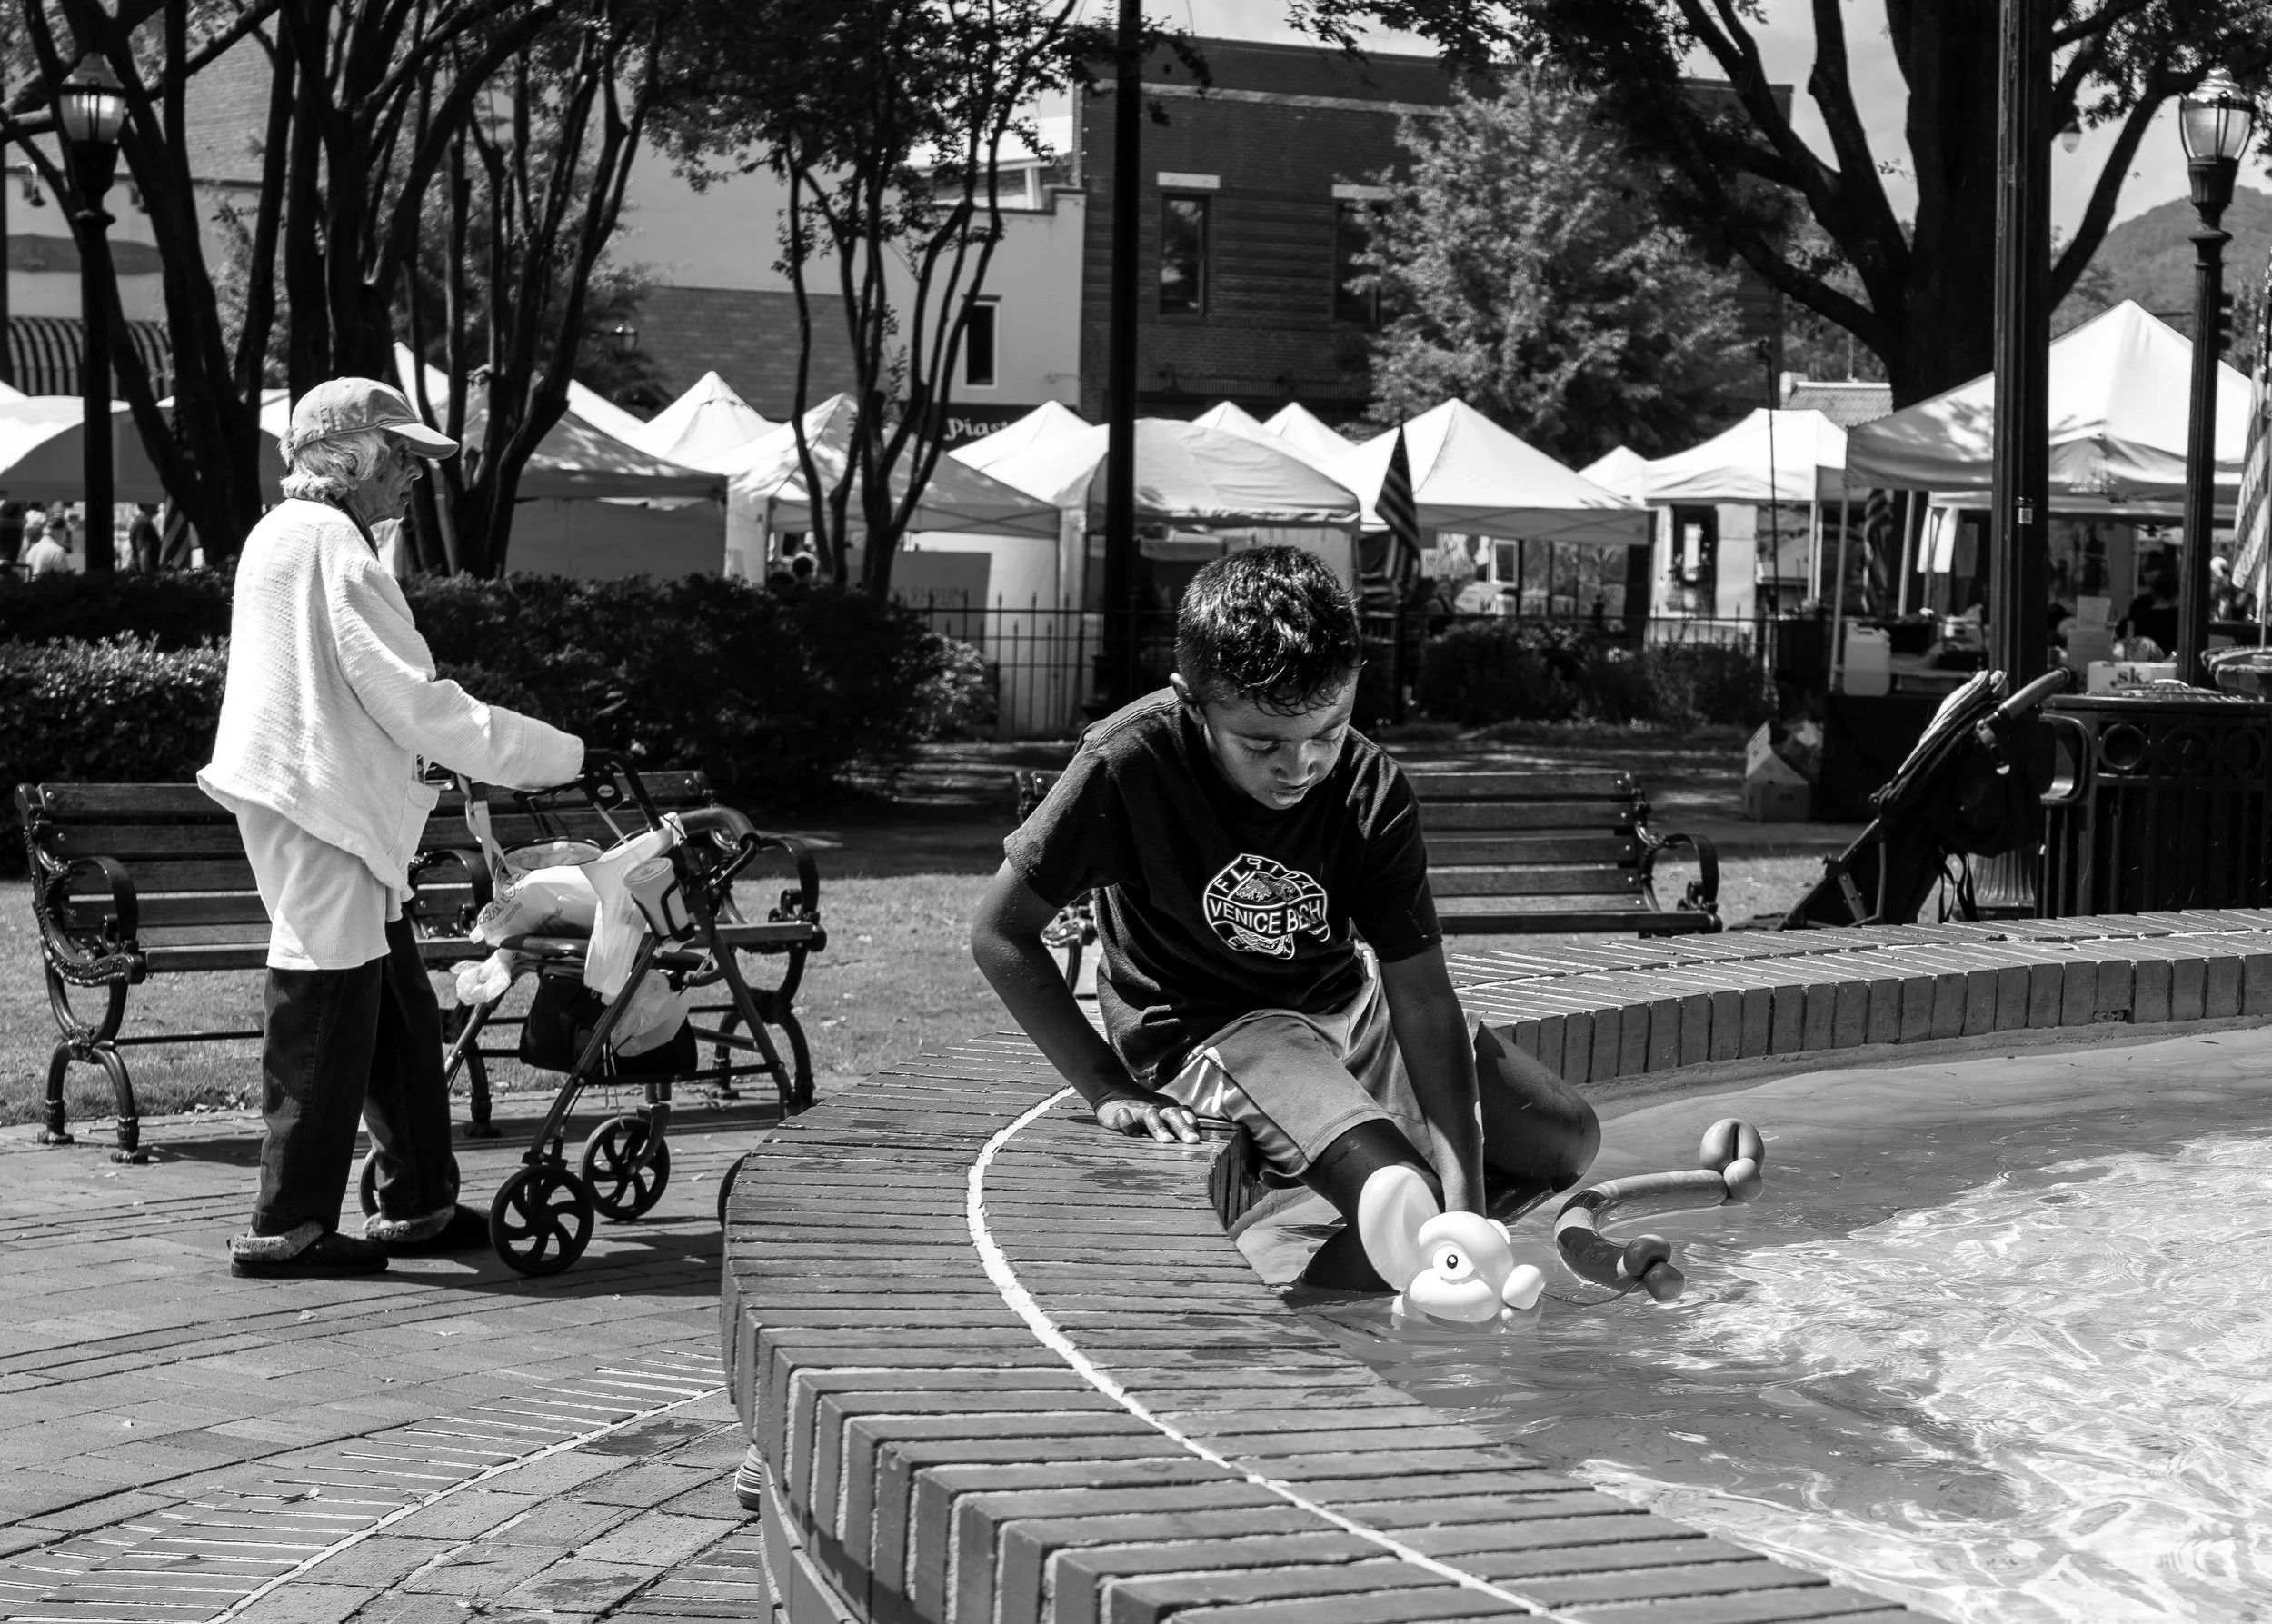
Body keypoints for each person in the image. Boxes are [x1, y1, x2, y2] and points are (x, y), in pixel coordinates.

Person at [971, 546, 1599, 1294]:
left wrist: (1467, 1217)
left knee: (1565, 1138)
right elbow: (999, 931)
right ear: (1190, 699)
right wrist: (1107, 1085)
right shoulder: (1129, 761)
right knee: (1398, 1197)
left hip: (1349, 1012)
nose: (1299, 766)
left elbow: (1423, 998)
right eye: (1263, 742)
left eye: (1327, 732)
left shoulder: (1371, 787)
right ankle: (1318, 1322)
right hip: (1220, 1032)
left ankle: (1354, 1281)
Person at [199, 378, 585, 1279]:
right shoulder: (332, 543)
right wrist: (563, 752)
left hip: (322, 805)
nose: (414, 472)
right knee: (326, 1004)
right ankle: (286, 1222)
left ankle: (416, 1197)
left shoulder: (293, 534)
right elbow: (414, 703)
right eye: (402, 454)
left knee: (397, 1009)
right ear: (354, 457)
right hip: (323, 810)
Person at [128, 503, 162, 573]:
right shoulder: (145, 524)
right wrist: (146, 577)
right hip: (142, 575)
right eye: (155, 503)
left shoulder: (140, 521)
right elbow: (143, 553)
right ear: (147, 504)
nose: (158, 504)